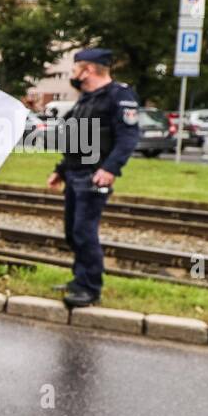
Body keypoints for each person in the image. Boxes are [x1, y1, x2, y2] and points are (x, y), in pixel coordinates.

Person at [47, 47, 139, 308]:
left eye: (75, 68)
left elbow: (128, 138)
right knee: (72, 232)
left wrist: (110, 169)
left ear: (87, 70)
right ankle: (79, 279)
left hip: (94, 176)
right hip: (75, 173)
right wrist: (60, 170)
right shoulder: (86, 98)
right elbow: (77, 140)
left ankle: (90, 288)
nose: (73, 73)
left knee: (84, 232)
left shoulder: (119, 96)